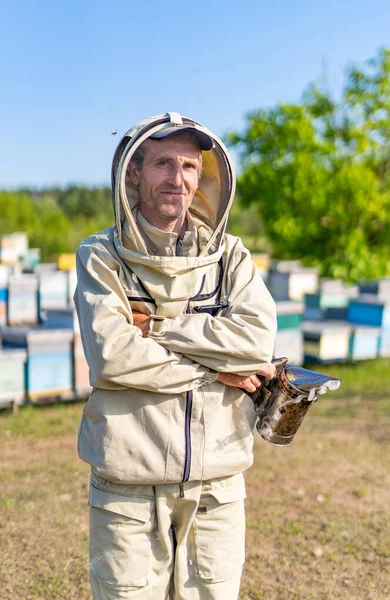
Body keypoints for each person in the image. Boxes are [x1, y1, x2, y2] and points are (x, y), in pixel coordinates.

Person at [74, 112, 277, 600]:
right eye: (164, 163)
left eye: (189, 166)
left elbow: (255, 343)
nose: (178, 178)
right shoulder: (102, 256)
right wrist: (219, 368)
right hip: (129, 487)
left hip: (216, 489)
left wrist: (157, 329)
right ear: (135, 172)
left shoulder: (231, 257)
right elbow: (113, 358)